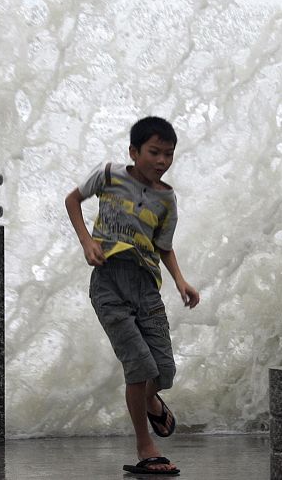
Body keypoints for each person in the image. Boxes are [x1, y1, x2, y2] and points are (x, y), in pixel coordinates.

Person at [65, 116, 200, 475]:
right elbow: (72, 200)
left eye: (168, 154)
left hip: (146, 288)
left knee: (164, 371)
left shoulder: (166, 198)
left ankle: (150, 401)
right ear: (133, 151)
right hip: (109, 284)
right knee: (139, 366)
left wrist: (181, 281)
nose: (161, 161)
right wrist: (87, 241)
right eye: (154, 152)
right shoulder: (108, 174)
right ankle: (145, 447)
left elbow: (164, 246)